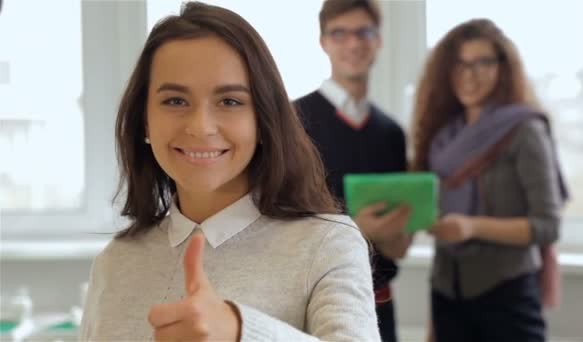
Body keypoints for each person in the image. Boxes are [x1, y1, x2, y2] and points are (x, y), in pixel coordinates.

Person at [79, 2, 381, 341]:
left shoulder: (328, 243)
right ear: (144, 120)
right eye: (175, 101)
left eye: (230, 101)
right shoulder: (114, 262)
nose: (201, 127)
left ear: (263, 122)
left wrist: (240, 330)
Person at [411, 18, 569, 342]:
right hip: (446, 294)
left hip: (506, 296)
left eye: (483, 62)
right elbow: (440, 234)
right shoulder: (441, 139)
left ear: (502, 68)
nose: (471, 75)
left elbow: (547, 225)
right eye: (461, 64)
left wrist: (472, 227)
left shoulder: (525, 131)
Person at [294, 1, 411, 341]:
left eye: (364, 32)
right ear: (323, 42)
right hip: (315, 309)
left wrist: (398, 228)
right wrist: (358, 229)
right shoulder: (292, 122)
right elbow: (275, 223)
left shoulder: (391, 133)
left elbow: (399, 248)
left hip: (381, 307)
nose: (353, 43)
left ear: (378, 40)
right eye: (339, 33)